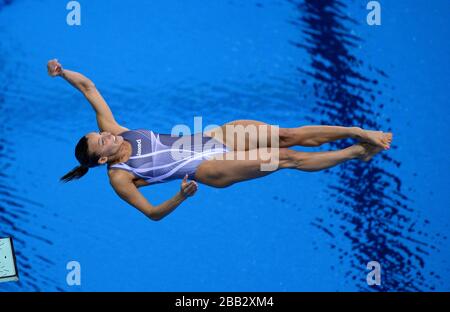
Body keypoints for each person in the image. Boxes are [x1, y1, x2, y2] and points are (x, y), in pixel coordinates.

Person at [48, 59, 392, 221]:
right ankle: (355, 151)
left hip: (214, 137)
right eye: (101, 141)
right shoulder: (120, 177)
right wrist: (180, 196)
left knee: (287, 133)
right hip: (209, 167)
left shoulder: (119, 131)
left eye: (100, 133)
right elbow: (152, 213)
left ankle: (356, 131)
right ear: (104, 158)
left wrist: (63, 73)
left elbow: (88, 88)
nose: (106, 134)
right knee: (285, 156)